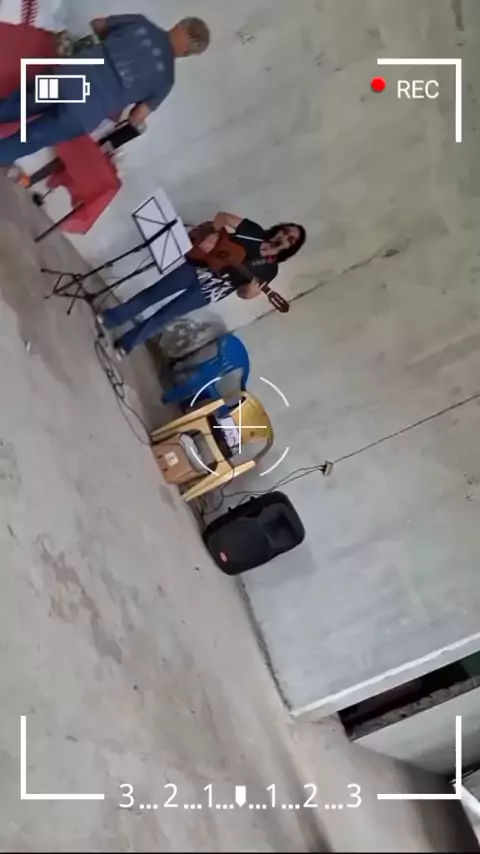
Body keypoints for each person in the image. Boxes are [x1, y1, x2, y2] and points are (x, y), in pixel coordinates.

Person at [0, 14, 210, 164]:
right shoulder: (166, 80)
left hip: (69, 77)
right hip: (84, 112)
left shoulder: (141, 23)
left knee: (17, 105)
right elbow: (137, 117)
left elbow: (98, 24)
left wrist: (111, 45)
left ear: (178, 25)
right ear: (186, 52)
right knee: (29, 139)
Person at [99, 213, 307, 358]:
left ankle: (127, 344)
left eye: (291, 240)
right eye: (285, 231)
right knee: (152, 294)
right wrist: (214, 234)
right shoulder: (253, 231)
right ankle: (111, 318)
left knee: (166, 315)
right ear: (279, 228)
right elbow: (223, 217)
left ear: (291, 248)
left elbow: (243, 293)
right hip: (197, 266)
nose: (284, 237)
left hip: (209, 291)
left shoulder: (269, 270)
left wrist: (250, 291)